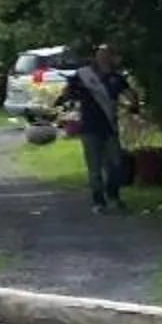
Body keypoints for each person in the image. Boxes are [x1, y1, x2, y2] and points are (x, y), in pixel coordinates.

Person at [64, 43, 135, 213]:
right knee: (94, 167)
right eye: (100, 54)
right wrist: (71, 95)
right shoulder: (83, 75)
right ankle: (99, 201)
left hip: (109, 127)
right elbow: (68, 93)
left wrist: (133, 105)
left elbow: (129, 93)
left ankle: (113, 194)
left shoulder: (116, 78)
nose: (103, 58)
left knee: (116, 164)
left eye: (106, 55)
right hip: (89, 127)